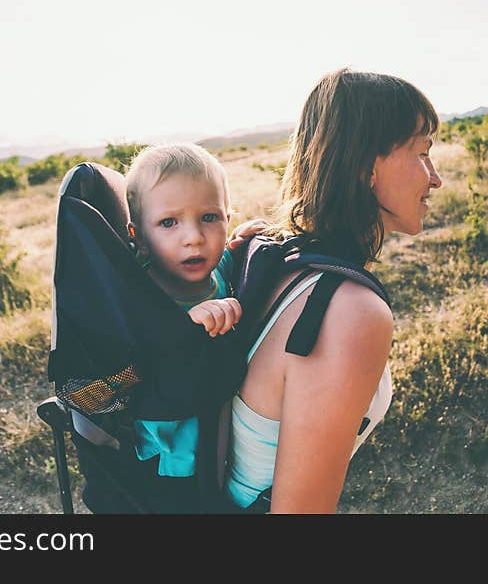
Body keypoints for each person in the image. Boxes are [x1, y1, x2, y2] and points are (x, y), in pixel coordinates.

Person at [223, 69, 443, 513]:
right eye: (421, 153)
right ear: (365, 166)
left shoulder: (279, 260)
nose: (434, 177)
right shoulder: (350, 311)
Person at [123, 143, 260, 509]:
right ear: (138, 236)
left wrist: (242, 243)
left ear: (228, 217)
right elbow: (140, 356)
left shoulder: (213, 272)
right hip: (168, 453)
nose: (194, 237)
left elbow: (226, 263)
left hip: (218, 434)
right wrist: (185, 327)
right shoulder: (142, 291)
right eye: (169, 222)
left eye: (210, 217)